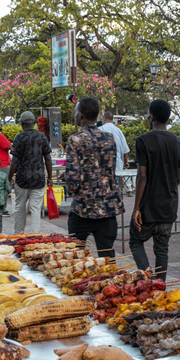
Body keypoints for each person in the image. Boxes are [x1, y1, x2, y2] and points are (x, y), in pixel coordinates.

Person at [130, 99, 180, 280]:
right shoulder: (178, 142)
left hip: (148, 206)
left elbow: (142, 177)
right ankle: (159, 286)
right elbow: (178, 177)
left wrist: (136, 207)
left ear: (151, 117)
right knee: (162, 249)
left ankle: (147, 278)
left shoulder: (143, 140)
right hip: (168, 206)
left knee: (135, 240)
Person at [64, 97, 123, 257]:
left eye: (76, 112)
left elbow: (72, 181)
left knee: (75, 258)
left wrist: (69, 183)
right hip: (108, 208)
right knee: (107, 257)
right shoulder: (109, 138)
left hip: (83, 208)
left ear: (81, 115)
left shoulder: (75, 140)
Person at [9, 111, 52, 234]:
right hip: (38, 178)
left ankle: (18, 234)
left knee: (20, 207)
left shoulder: (19, 137)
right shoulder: (42, 137)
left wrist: (9, 178)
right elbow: (48, 158)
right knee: (35, 208)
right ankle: (34, 236)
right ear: (34, 123)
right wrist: (49, 177)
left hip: (22, 178)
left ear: (22, 123)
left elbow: (15, 161)